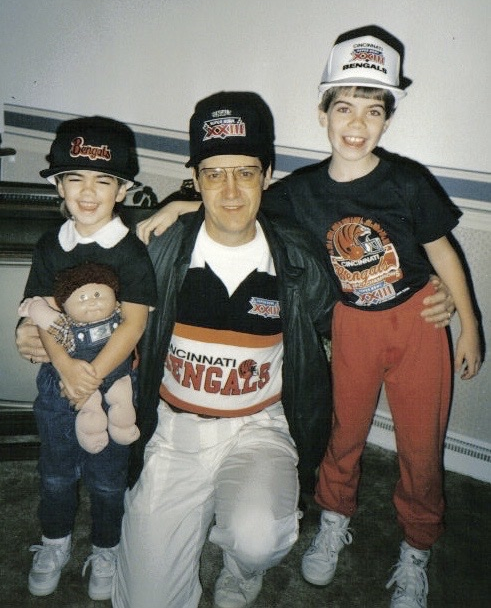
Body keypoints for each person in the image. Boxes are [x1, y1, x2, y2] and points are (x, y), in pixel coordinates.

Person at [132, 27, 477, 608]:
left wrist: (460, 313)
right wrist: (183, 203)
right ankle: (334, 520)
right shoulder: (296, 194)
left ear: (389, 119)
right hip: (334, 335)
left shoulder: (401, 184)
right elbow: (230, 193)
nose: (357, 123)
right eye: (344, 106)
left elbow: (440, 248)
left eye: (373, 110)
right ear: (322, 113)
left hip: (412, 324)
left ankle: (415, 546)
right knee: (343, 437)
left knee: (420, 447)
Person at [112, 91, 338, 608]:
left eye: (246, 172)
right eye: (214, 174)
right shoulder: (158, 247)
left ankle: (239, 570)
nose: (231, 190)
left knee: (258, 537)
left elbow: (348, 321)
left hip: (260, 426)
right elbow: (92, 299)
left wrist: (424, 295)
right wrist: (41, 329)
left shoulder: (297, 259)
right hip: (176, 430)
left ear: (268, 173)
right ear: (195, 180)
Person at [18, 116, 157, 600]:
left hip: (113, 383)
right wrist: (66, 368)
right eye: (75, 178)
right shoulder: (51, 245)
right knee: (55, 472)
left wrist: (93, 374)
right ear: (59, 183)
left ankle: (105, 548)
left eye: (103, 180)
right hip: (59, 386)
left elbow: (135, 323)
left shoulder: (131, 253)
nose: (89, 192)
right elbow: (43, 316)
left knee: (106, 478)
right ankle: (53, 542)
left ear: (122, 190)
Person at [18, 262, 140, 454]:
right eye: (82, 298)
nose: (91, 302)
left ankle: (123, 427)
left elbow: (138, 315)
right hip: (76, 379)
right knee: (88, 411)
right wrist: (35, 308)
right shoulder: (68, 326)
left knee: (122, 398)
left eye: (98, 295)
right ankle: (92, 434)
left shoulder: (118, 312)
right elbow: (50, 321)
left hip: (118, 375)